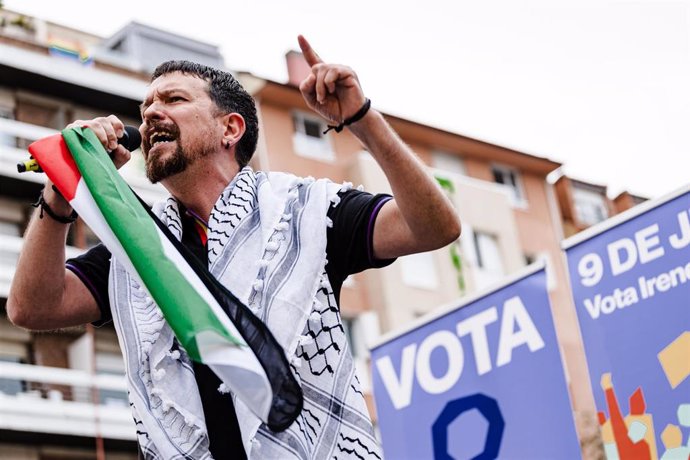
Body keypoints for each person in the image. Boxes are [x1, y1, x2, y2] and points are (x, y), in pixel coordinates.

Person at [7, 36, 461, 459]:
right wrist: (60, 188)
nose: (149, 114)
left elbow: (434, 227)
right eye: (145, 106)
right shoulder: (139, 244)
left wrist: (362, 119)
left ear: (230, 128)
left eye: (173, 100)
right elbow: (32, 307)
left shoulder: (304, 210)